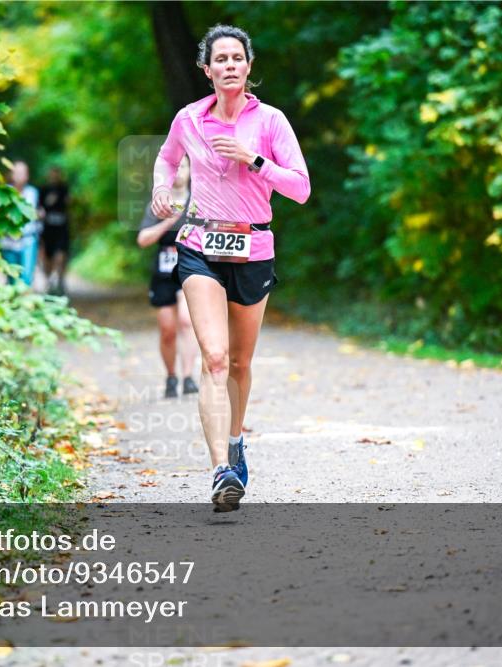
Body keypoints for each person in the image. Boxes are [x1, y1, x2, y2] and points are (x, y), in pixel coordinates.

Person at [151, 24, 310, 511]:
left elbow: (301, 188)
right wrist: (162, 189)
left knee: (240, 362)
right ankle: (221, 468)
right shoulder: (189, 120)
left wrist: (255, 160)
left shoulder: (271, 122)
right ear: (207, 69)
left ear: (249, 65)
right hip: (199, 244)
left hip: (253, 247)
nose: (229, 66)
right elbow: (166, 158)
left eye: (237, 58)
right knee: (215, 359)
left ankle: (236, 441)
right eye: (219, 59)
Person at [137, 157, 200, 399]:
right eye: (174, 168)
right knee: (168, 330)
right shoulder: (159, 203)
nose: (179, 172)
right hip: (163, 273)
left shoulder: (199, 201)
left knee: (187, 320)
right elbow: (143, 240)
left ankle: (188, 376)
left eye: (183, 166)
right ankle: (171, 376)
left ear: (191, 170)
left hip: (190, 268)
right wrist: (169, 222)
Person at [0, 160, 40, 286]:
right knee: (11, 278)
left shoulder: (32, 192)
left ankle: (25, 302)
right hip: (8, 241)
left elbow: (34, 213)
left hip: (27, 239)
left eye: (22, 173)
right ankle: (13, 303)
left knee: (26, 278)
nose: (19, 175)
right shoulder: (5, 191)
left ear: (27, 175)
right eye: (16, 172)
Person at [39, 166, 71, 296]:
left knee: (61, 253)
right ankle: (49, 281)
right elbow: (40, 207)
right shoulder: (44, 190)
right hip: (48, 228)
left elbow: (69, 204)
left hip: (62, 227)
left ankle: (60, 279)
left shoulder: (64, 189)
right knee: (48, 256)